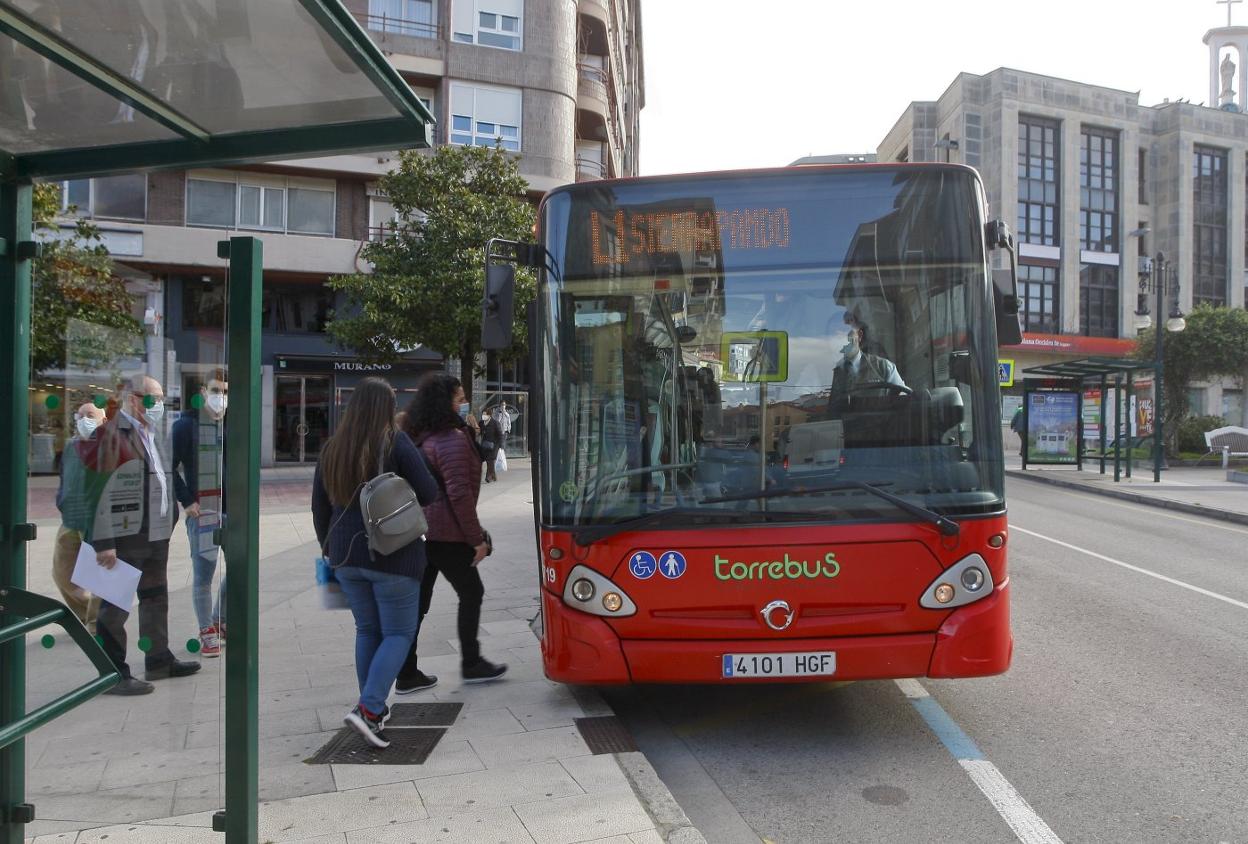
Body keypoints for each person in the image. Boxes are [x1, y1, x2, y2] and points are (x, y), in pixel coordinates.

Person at [312, 377, 439, 749]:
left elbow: (319, 504)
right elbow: (429, 492)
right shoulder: (394, 441)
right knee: (399, 632)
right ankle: (368, 709)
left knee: (367, 630)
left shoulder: (332, 447)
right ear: (386, 407)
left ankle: (372, 712)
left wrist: (328, 546)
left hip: (345, 556)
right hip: (394, 554)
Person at [88, 374, 201, 696]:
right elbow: (97, 491)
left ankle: (159, 659)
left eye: (163, 399)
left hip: (154, 534)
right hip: (124, 539)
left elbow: (166, 477)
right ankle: (112, 674)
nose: (159, 406)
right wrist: (104, 542)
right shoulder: (110, 434)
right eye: (154, 399)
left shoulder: (152, 433)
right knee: (114, 607)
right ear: (135, 399)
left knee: (155, 598)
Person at [395, 373, 507, 693]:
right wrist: (475, 539)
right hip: (446, 533)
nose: (464, 404)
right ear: (444, 403)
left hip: (423, 531)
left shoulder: (423, 436)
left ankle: (406, 671)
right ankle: (471, 663)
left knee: (418, 602)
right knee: (472, 592)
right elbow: (458, 495)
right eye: (459, 399)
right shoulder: (451, 441)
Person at [172, 370, 228, 657]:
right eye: (216, 391)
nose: (221, 398)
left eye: (226, 392)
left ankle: (220, 620)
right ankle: (207, 629)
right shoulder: (186, 426)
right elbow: (168, 467)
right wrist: (187, 501)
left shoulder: (233, 426)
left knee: (239, 569)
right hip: (203, 511)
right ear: (204, 392)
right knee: (204, 574)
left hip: (233, 511)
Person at [50, 401, 105, 633]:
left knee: (100, 574)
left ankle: (96, 624)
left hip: (94, 518)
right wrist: (62, 501)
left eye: (90, 415)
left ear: (104, 419)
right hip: (70, 517)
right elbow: (65, 478)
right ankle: (86, 613)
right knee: (61, 571)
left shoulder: (109, 447)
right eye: (80, 416)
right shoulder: (71, 446)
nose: (84, 420)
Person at [828, 314, 906, 412]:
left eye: (846, 333)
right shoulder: (838, 372)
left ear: (859, 335)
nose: (841, 340)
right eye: (835, 337)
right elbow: (833, 413)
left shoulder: (884, 367)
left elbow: (905, 401)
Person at [479, 407, 503, 483]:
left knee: (490, 460)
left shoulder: (495, 423)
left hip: (494, 445)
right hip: (485, 444)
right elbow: (479, 431)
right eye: (483, 414)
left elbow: (500, 435)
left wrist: (501, 445)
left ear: (489, 415)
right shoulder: (481, 423)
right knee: (488, 460)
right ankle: (493, 476)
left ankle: (488, 477)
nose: (483, 416)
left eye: (485, 414)